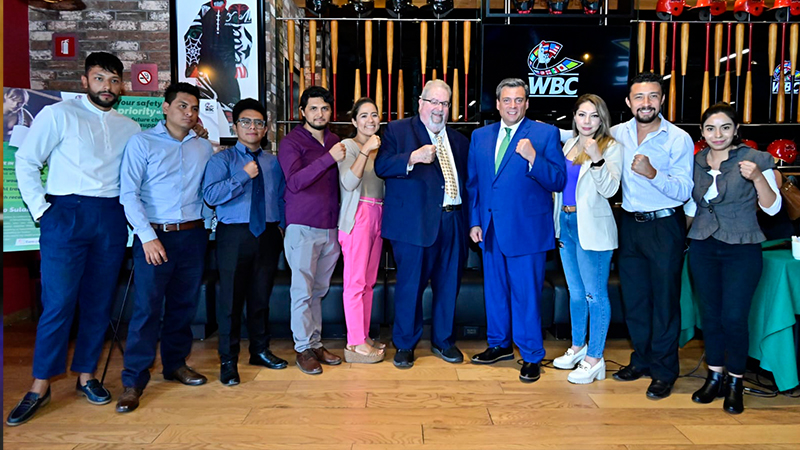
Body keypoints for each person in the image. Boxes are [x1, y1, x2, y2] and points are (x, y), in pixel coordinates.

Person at [8, 52, 141, 426]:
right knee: (58, 303)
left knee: (99, 302)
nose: (107, 87)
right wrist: (42, 211)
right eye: (99, 78)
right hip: (65, 214)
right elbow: (27, 161)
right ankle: (40, 385)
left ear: (121, 86)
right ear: (85, 81)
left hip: (110, 216)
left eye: (113, 80)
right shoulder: (58, 114)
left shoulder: (130, 127)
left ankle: (86, 375)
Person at [115, 83, 214, 413]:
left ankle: (175, 364)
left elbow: (206, 190)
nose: (189, 113)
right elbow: (129, 194)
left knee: (184, 306)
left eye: (194, 108)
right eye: (183, 106)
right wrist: (146, 236)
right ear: (165, 107)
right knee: (147, 309)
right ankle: (133, 380)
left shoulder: (203, 147)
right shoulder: (142, 142)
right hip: (155, 236)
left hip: (193, 235)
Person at [466, 78, 566, 383]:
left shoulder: (545, 134)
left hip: (527, 231)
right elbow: (474, 184)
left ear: (527, 103)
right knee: (495, 293)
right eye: (507, 100)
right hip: (490, 230)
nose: (513, 106)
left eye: (519, 100)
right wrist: (474, 221)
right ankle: (499, 345)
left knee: (526, 296)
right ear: (497, 104)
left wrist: (534, 157)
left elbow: (558, 180)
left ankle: (532, 355)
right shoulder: (480, 136)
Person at [686, 103, 781, 414]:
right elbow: (692, 207)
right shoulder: (696, 161)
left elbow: (772, 208)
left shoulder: (755, 159)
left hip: (742, 247)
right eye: (711, 128)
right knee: (710, 315)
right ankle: (714, 376)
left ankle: (735, 382)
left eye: (725, 127)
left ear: (736, 130)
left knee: (735, 317)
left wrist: (758, 178)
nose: (718, 134)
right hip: (703, 247)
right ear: (702, 133)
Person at [374, 79, 470, 369]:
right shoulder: (398, 130)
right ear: (421, 103)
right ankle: (405, 344)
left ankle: (444, 340)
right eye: (434, 102)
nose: (439, 109)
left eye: (445, 103)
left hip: (454, 222)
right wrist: (413, 157)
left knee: (449, 285)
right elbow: (381, 166)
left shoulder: (460, 141)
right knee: (410, 287)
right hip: (413, 226)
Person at [610, 72, 694, 399]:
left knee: (664, 303)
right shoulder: (618, 133)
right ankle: (642, 360)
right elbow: (584, 133)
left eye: (653, 96)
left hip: (664, 225)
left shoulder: (678, 139)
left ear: (662, 100)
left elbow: (684, 190)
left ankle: (663, 371)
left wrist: (653, 173)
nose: (646, 103)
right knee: (634, 300)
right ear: (629, 102)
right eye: (639, 97)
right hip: (630, 224)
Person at [203, 98, 289, 385]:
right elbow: (210, 196)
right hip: (234, 235)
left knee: (261, 297)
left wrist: (281, 227)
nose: (253, 127)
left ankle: (260, 350)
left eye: (259, 123)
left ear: (265, 129)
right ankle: (228, 360)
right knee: (230, 300)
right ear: (235, 126)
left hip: (267, 233)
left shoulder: (273, 162)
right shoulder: (222, 160)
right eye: (246, 122)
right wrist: (242, 176)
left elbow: (281, 197)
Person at [551, 94, 622, 384]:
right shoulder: (569, 144)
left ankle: (595, 358)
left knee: (595, 295)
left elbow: (610, 190)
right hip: (566, 223)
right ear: (575, 117)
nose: (587, 121)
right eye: (582, 114)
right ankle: (578, 347)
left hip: (592, 228)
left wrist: (597, 159)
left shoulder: (611, 147)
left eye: (594, 115)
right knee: (576, 293)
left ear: (602, 119)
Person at [278, 86, 346, 375]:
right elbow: (294, 181)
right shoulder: (291, 142)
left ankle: (315, 343)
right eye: (314, 108)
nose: (320, 113)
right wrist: (329, 158)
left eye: (325, 108)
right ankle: (302, 348)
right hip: (303, 226)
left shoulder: (334, 139)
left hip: (330, 227)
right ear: (302, 112)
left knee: (318, 291)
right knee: (302, 292)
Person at [337, 98, 386, 364]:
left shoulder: (382, 149)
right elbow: (348, 182)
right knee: (354, 282)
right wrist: (365, 150)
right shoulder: (349, 146)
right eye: (364, 115)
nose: (370, 120)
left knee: (368, 282)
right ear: (354, 121)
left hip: (379, 213)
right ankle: (354, 342)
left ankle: (363, 336)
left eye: (374, 115)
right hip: (358, 216)